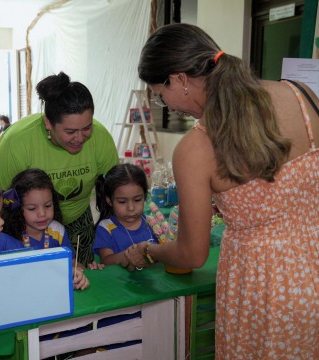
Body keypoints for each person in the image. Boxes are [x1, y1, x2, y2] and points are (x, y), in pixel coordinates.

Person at [128, 23, 318, 358]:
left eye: (161, 93)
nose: (167, 106)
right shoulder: (302, 95)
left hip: (264, 292)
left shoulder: (195, 149)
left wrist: (150, 250)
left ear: (179, 79)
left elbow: (191, 254)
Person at [0, 72, 119, 266]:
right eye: (70, 131)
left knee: (80, 276)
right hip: (24, 226)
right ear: (48, 122)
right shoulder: (17, 142)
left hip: (77, 218)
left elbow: (116, 188)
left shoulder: (100, 138)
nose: (80, 137)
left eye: (86, 128)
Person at [2, 168, 91, 290]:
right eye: (32, 208)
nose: (42, 214)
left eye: (48, 206)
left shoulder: (58, 231)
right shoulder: (9, 236)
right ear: (18, 208)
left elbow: (71, 263)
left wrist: (78, 272)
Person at [93, 163, 159, 270]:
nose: (131, 208)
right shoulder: (106, 228)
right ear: (109, 200)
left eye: (137, 200)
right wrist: (127, 256)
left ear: (145, 197)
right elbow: (105, 260)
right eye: (122, 202)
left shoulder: (152, 223)